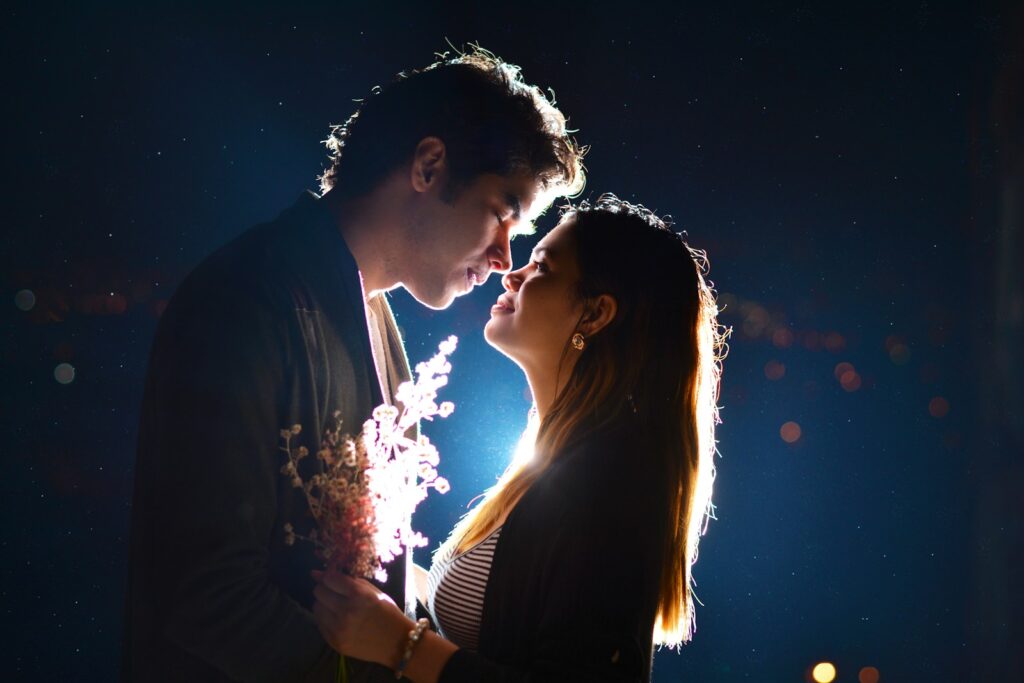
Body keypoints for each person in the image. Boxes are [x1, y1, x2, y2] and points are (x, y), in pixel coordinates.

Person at [122, 47, 584, 682]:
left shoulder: (371, 317)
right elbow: (202, 591)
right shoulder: (246, 299)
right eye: (503, 212)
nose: (506, 256)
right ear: (428, 165)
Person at [310, 194, 727, 682]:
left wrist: (402, 644)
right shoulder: (552, 460)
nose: (511, 274)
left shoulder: (608, 488)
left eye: (542, 267)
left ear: (594, 315)